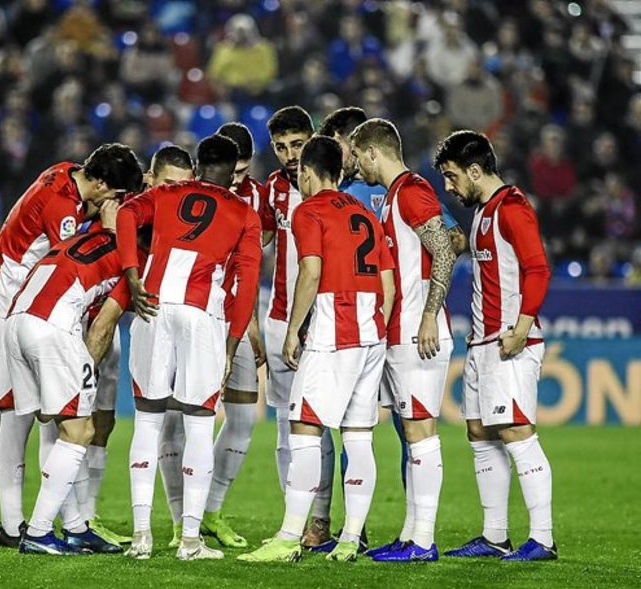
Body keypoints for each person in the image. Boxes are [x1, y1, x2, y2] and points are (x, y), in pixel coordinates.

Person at [0, 144, 143, 548]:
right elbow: (76, 251)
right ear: (101, 184)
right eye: (116, 196)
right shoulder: (64, 212)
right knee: (15, 416)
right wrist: (114, 231)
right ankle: (14, 527)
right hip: (4, 306)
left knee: (11, 417)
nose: (114, 204)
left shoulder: (64, 172)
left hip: (11, 303)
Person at [238, 136, 395, 563]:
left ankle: (289, 537)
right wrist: (375, 325)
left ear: (307, 172)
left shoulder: (308, 210)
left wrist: (293, 330)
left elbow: (310, 270)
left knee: (304, 428)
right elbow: (387, 284)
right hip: (371, 330)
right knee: (358, 436)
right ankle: (350, 540)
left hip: (334, 326)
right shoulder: (365, 213)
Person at [116, 134, 262, 561]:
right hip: (202, 315)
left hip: (153, 306)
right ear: (233, 175)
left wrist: (132, 275)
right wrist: (232, 345)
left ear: (197, 167)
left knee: (148, 421)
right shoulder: (244, 213)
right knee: (199, 424)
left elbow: (125, 214)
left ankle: (142, 537)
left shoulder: (167, 193)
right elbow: (247, 285)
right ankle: (191, 541)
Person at [434, 130, 556, 561]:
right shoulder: (484, 211)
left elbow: (538, 269)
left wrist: (520, 328)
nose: (448, 186)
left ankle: (543, 538)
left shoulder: (512, 207)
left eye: (452, 176)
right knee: (480, 432)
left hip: (509, 342)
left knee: (517, 433)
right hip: (483, 342)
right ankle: (494, 536)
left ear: (474, 171)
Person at [7, 201, 142, 555]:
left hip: (17, 320)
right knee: (81, 430)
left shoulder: (84, 237)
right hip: (51, 328)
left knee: (57, 426)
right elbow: (101, 328)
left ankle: (75, 527)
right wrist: (86, 376)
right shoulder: (133, 263)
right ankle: (38, 533)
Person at [350, 118, 458, 562]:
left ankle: (424, 542)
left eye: (358, 156)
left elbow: (444, 250)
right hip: (401, 332)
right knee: (413, 434)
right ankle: (411, 533)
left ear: (373, 152)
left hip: (418, 332)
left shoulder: (412, 190)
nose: (356, 166)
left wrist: (430, 315)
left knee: (421, 432)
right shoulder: (396, 195)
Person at [77, 145, 195, 547]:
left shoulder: (174, 224)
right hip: (78, 318)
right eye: (168, 184)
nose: (175, 193)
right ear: (149, 181)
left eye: (184, 186)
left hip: (109, 324)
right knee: (70, 415)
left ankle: (87, 516)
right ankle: (66, 518)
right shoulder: (117, 207)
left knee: (103, 421)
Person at [157, 124, 267, 549]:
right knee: (174, 420)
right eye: (229, 171)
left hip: (235, 320)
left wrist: (249, 323)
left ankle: (211, 511)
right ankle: (178, 519)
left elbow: (251, 268)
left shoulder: (260, 200)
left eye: (241, 172)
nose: (233, 180)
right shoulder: (191, 192)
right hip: (195, 315)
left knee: (241, 418)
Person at [261, 106, 317, 500]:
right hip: (280, 317)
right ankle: (292, 515)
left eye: (297, 144)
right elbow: (258, 240)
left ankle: (322, 516)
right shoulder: (273, 188)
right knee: (284, 423)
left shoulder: (334, 186)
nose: (290, 155)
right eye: (281, 147)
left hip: (324, 320)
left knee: (318, 424)